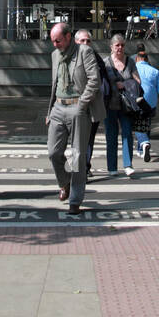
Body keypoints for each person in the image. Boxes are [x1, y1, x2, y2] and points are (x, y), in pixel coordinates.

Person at [46, 21, 103, 215]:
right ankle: (65, 182)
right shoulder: (55, 55)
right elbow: (54, 84)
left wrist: (83, 103)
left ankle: (75, 200)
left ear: (69, 37)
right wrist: (49, 112)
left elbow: (95, 79)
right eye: (53, 41)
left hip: (78, 107)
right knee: (53, 152)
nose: (55, 44)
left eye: (58, 40)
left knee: (78, 156)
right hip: (58, 107)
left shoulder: (84, 52)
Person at [100, 33, 140, 177]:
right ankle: (112, 167)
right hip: (109, 104)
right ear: (111, 47)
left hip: (126, 105)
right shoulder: (105, 63)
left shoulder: (130, 62)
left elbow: (138, 82)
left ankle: (128, 165)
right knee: (111, 135)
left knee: (127, 134)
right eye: (117, 45)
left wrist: (125, 84)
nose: (120, 48)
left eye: (122, 45)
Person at [74, 29, 112, 176]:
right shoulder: (70, 57)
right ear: (75, 42)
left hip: (92, 106)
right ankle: (78, 167)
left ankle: (84, 168)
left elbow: (102, 82)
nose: (85, 43)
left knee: (89, 139)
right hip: (75, 106)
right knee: (75, 141)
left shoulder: (97, 59)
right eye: (82, 41)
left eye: (88, 41)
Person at [132, 48, 159, 163]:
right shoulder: (155, 71)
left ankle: (144, 144)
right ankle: (141, 149)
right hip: (151, 103)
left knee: (136, 125)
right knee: (146, 124)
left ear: (137, 59)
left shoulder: (134, 69)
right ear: (147, 59)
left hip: (137, 101)